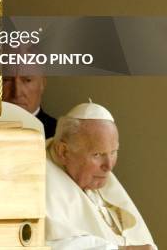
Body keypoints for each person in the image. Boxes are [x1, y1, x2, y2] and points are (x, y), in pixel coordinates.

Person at [46, 102, 157, 249]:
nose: (109, 166)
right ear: (63, 152)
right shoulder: (39, 179)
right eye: (97, 154)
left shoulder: (94, 175)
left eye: (113, 152)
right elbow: (45, 243)